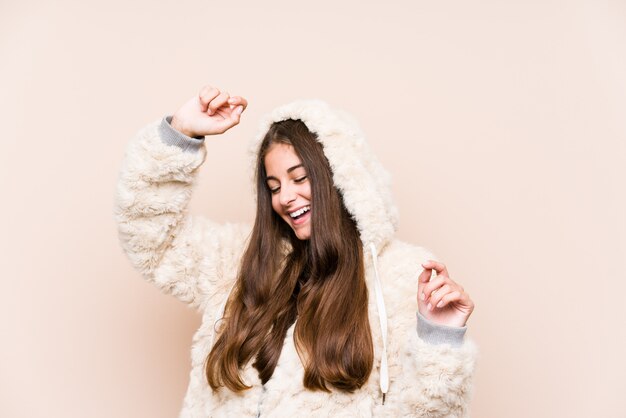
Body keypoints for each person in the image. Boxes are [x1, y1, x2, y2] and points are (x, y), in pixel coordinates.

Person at [115, 85, 477, 417]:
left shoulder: (399, 278)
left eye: (300, 178)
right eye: (273, 186)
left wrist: (439, 341)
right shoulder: (242, 260)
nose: (285, 198)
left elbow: (423, 411)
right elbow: (152, 238)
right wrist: (180, 134)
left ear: (339, 177)